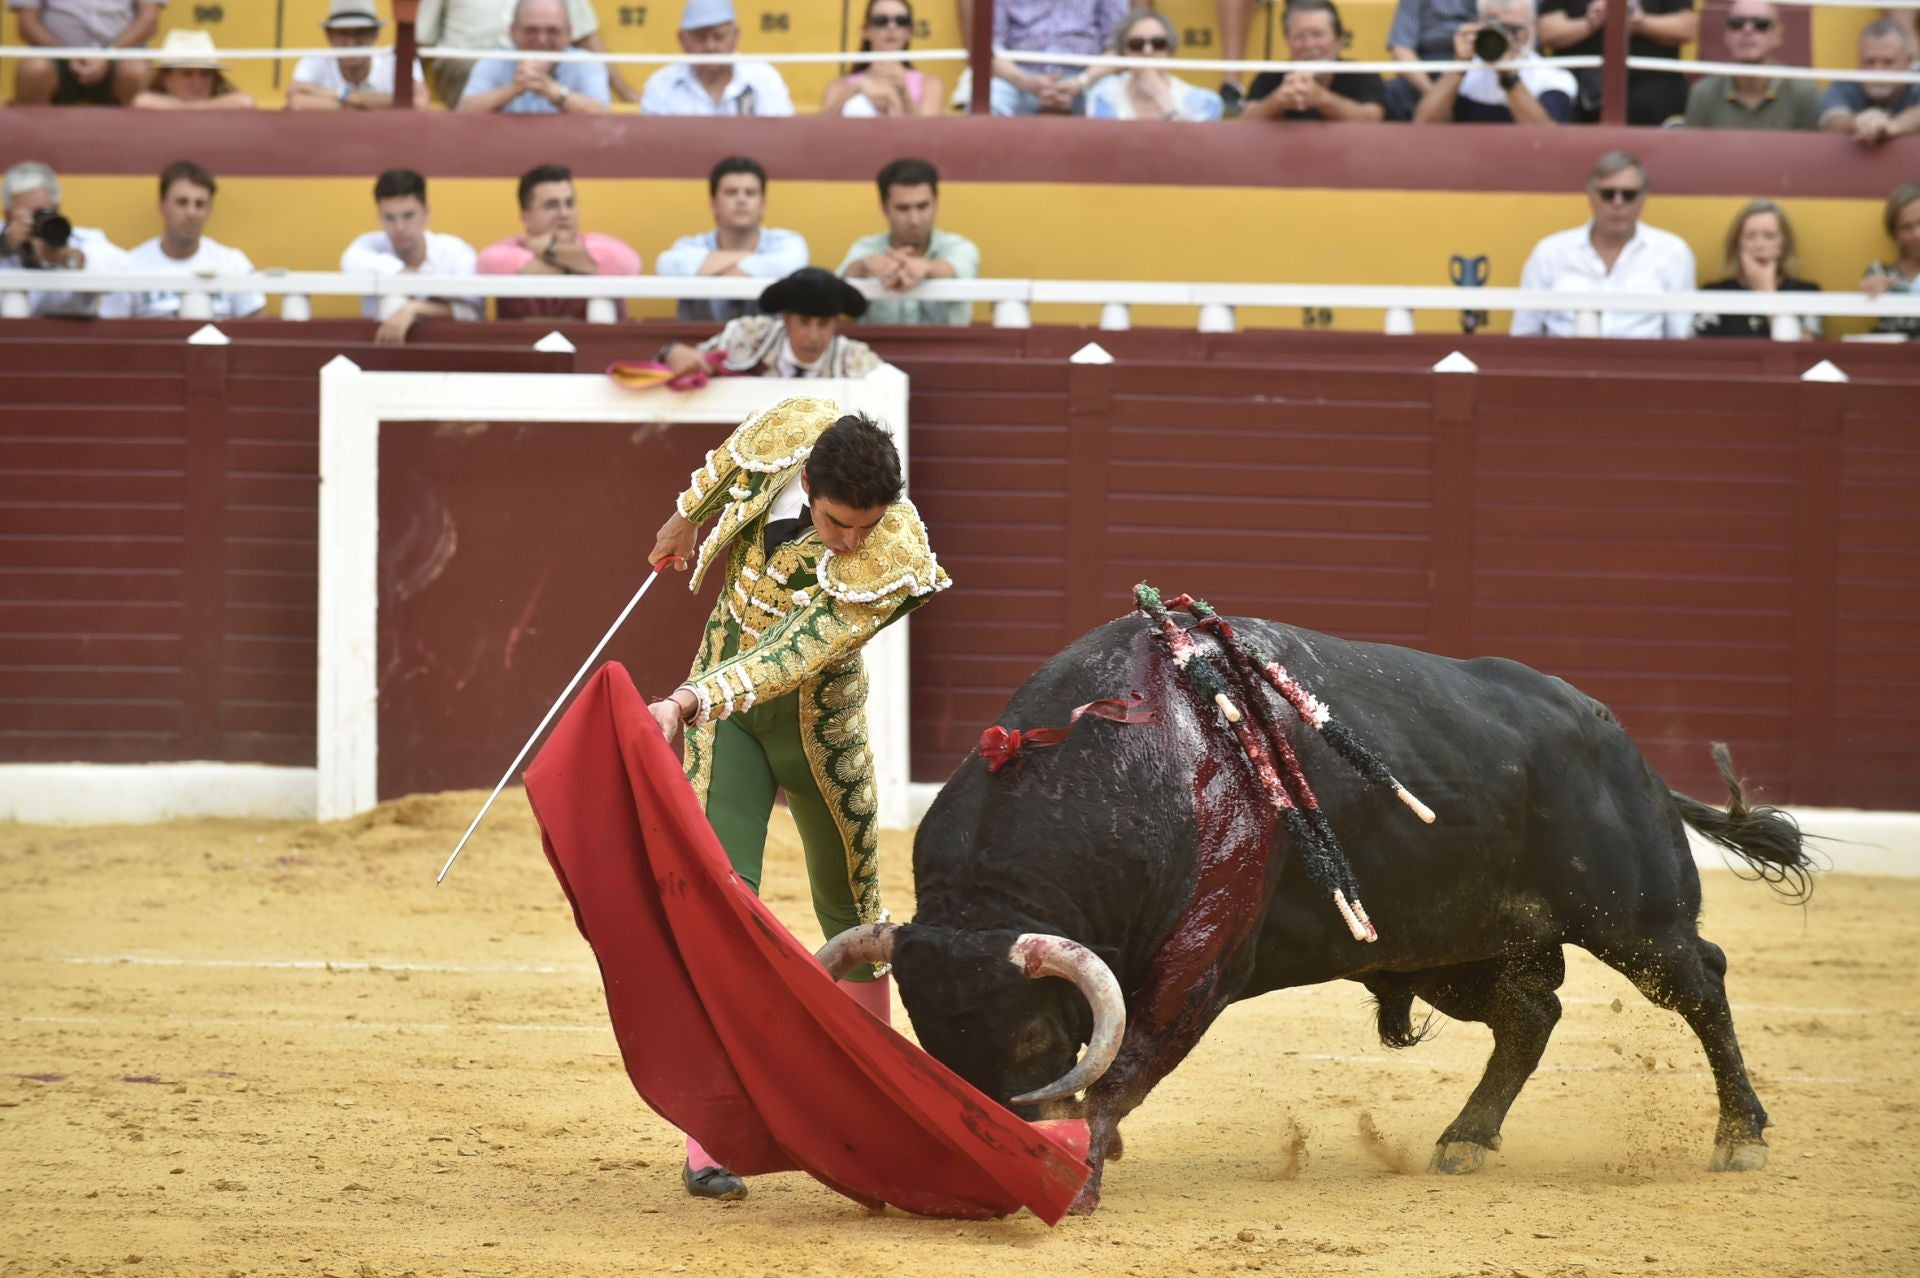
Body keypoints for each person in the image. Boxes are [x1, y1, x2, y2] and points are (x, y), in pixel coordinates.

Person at [643, 399, 948, 1201]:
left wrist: (686, 702)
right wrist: (685, 520)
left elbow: (791, 653)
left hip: (817, 729)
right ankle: (713, 1133)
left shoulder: (894, 551)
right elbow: (729, 463)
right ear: (806, 483)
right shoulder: (791, 433)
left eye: (864, 527)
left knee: (854, 915)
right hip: (729, 726)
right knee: (721, 904)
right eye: (837, 522)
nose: (850, 541)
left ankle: (875, 1108)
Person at [1511, 151, 1695, 339]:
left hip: (1643, 365)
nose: (1618, 203)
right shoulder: (1550, 252)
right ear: (1591, 195)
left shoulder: (1673, 252)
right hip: (1563, 364)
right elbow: (1524, 332)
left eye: (1628, 195)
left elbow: (1679, 338)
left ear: (1643, 198)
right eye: (1608, 194)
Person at [656, 156, 809, 325]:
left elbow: (792, 265)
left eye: (750, 193)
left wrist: (712, 269)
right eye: (731, 192)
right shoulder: (689, 246)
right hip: (701, 349)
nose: (741, 200)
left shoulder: (786, 242)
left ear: (762, 204)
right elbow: (667, 265)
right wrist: (747, 256)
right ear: (714, 204)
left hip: (766, 349)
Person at [657, 268, 886, 382]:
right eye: (804, 322)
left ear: (836, 323)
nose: (814, 336)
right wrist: (671, 352)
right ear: (785, 318)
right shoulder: (748, 337)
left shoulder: (855, 359)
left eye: (824, 324)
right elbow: (694, 359)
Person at [476, 164, 641, 320]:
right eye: (552, 205)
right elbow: (488, 263)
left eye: (570, 203)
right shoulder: (509, 249)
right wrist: (582, 266)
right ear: (526, 218)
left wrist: (550, 249)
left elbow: (627, 264)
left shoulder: (601, 244)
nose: (564, 213)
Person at [339, 169, 481, 345]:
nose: (399, 227)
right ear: (379, 216)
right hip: (382, 357)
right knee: (391, 300)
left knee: (395, 303)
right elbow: (349, 261)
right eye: (389, 217)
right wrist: (409, 277)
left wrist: (413, 309)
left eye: (408, 216)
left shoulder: (455, 251)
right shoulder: (367, 246)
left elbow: (472, 311)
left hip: (445, 353)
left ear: (426, 213)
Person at [837, 158, 979, 327]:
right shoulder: (866, 248)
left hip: (947, 353)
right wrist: (865, 265)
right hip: (876, 353)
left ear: (935, 203)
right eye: (903, 208)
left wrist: (927, 268)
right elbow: (840, 285)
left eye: (922, 206)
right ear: (884, 208)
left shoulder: (959, 246)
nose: (914, 220)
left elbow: (957, 267)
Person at [416, 0, 632, 107]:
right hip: (465, 62)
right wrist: (413, 92)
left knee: (567, 62)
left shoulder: (582, 62)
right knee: (469, 70)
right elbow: (420, 37)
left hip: (552, 58)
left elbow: (584, 31)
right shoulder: (488, 65)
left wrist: (626, 92)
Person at [126, 160, 264, 320]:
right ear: (162, 205)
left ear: (209, 210)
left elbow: (257, 329)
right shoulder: (131, 264)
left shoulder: (233, 263)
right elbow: (112, 333)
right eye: (181, 202)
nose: (191, 213)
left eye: (200, 204)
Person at [0, 160, 133, 317]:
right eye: (28, 214)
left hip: (72, 335)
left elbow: (124, 269)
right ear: (8, 214)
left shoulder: (84, 239)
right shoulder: (4, 238)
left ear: (58, 208)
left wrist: (64, 258)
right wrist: (5, 246)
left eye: (43, 212)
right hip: (9, 337)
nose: (36, 220)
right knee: (13, 300)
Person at [1413, 0, 1575, 124]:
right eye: (1496, 27)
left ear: (1533, 28)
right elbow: (1424, 125)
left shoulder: (1553, 77)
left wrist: (1508, 76)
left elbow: (1547, 138)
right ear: (1479, 25)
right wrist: (1459, 66)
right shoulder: (1464, 74)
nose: (1506, 37)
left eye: (1514, 29)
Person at [1536, 0, 1695, 125]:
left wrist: (1642, 23)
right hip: (1579, 86)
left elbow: (1688, 28)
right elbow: (1547, 32)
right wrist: (1590, 23)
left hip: (1653, 84)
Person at [1682, 0, 1822, 131]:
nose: (1747, 30)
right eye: (1737, 23)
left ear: (1778, 34)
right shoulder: (1703, 94)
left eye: (1761, 23)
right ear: (1727, 35)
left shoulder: (1805, 94)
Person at [1693, 200, 1822, 339]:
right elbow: (1701, 352)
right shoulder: (1713, 295)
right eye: (1750, 236)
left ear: (1783, 244)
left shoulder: (1807, 294)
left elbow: (1801, 353)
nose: (1759, 245)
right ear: (1737, 244)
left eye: (1769, 236)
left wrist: (1767, 290)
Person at [1242, 0, 1388, 123]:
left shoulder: (1363, 74)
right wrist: (1278, 100)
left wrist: (1321, 98)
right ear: (1288, 41)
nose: (1309, 45)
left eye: (1318, 34)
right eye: (1299, 36)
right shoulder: (1271, 75)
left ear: (1339, 40)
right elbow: (1244, 122)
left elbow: (1373, 120)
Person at [640, 0, 794, 116]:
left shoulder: (764, 79)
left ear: (735, 36)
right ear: (682, 40)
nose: (710, 46)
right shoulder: (661, 85)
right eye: (700, 37)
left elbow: (779, 138)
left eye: (719, 36)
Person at [457, 0, 610, 114]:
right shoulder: (493, 62)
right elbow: (464, 112)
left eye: (552, 31)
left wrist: (551, 90)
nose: (542, 40)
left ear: (569, 33)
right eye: (531, 30)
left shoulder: (586, 63)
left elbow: (602, 116)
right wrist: (514, 89)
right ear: (512, 32)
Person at [988, 0, 1128, 116]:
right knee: (989, 99)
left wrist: (1082, 81)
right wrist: (1024, 81)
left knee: (1111, 98)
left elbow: (1117, 47)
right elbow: (989, 48)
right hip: (1018, 78)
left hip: (1087, 77)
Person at [8, 0, 159, 106]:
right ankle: (33, 142)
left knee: (134, 71)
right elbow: (27, 24)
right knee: (33, 69)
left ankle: (133, 145)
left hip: (120, 53)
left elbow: (149, 20)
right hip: (54, 55)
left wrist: (108, 55)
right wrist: (66, 54)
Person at [1085, 7, 1224, 121]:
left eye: (1158, 44)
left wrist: (1164, 99)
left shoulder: (1204, 102)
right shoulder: (1104, 94)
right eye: (1137, 44)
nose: (1147, 51)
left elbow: (1197, 150)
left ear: (1170, 50)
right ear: (1124, 51)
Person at [288, 1, 425, 112]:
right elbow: (297, 103)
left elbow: (421, 103)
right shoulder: (314, 61)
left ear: (375, 34)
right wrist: (364, 104)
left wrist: (343, 97)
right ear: (329, 35)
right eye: (343, 33)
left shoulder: (396, 60)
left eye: (361, 33)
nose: (351, 42)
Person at [821, 0, 945, 117]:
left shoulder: (930, 84)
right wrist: (857, 87)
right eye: (881, 20)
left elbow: (927, 135)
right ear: (865, 31)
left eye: (901, 21)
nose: (891, 27)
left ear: (910, 32)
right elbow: (820, 131)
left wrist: (904, 93)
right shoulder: (839, 85)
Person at [1819, 19, 1920, 146]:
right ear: (1858, 62)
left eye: (1888, 62)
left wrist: (1892, 126)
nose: (1878, 71)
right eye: (1869, 62)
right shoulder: (1846, 84)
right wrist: (1857, 122)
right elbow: (1832, 119)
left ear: (1908, 62)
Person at [1385, 0, 1480, 119]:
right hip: (1430, 67)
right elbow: (1401, 48)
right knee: (1394, 93)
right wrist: (1434, 95)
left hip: (1485, 63)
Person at [129, 29, 256, 110]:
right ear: (167, 79)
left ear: (215, 78)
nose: (197, 82)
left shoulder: (230, 102)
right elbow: (142, 101)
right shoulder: (150, 103)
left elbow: (245, 101)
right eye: (187, 74)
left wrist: (189, 108)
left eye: (205, 74)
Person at [1859, 182, 1920, 340]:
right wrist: (1870, 290)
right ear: (1895, 234)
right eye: (1907, 227)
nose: (1917, 234)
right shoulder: (1880, 272)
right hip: (1894, 360)